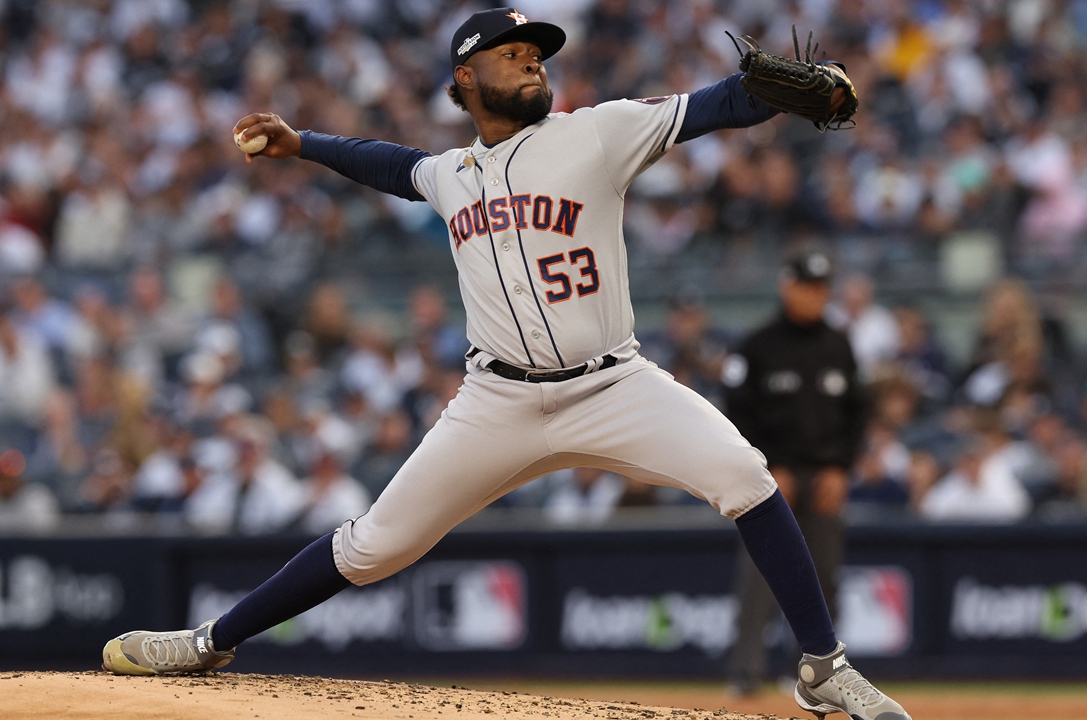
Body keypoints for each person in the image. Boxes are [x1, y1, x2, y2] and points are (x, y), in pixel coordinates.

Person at [101, 9, 908, 720]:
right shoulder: (452, 175)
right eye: (511, 51)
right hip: (496, 402)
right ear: (466, 74)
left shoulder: (597, 132)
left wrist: (800, 93)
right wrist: (303, 144)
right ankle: (211, 640)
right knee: (376, 546)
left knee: (746, 475)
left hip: (612, 384)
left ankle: (821, 668)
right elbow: (386, 162)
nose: (531, 59)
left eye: (536, 51)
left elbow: (719, 104)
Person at [720, 249, 866, 696]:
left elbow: (857, 414)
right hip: (771, 480)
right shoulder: (758, 346)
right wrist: (765, 465)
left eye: (822, 289)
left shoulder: (838, 345)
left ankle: (809, 673)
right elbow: (737, 413)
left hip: (824, 477)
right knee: (761, 576)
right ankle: (745, 672)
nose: (816, 297)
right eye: (808, 287)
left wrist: (841, 468)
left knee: (823, 577)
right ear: (788, 288)